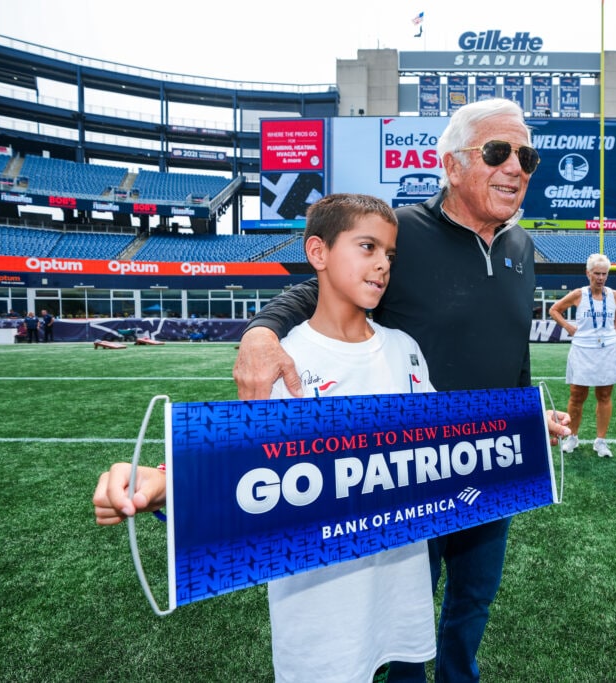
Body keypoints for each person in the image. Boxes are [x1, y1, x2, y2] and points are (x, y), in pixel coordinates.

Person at [233, 98, 569, 683]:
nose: (516, 166)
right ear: (453, 164)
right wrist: (262, 332)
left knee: (474, 601)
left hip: (492, 461)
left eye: (527, 155)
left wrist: (527, 414)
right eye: (497, 152)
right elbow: (318, 292)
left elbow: (514, 348)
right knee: (404, 612)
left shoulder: (522, 247)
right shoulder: (401, 235)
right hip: (408, 467)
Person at [94, 193, 437, 682]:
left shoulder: (405, 349)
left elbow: (443, 445)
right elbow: (244, 467)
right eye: (367, 247)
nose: (383, 264)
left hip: (399, 583)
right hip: (321, 605)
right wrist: (164, 482)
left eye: (390, 254)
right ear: (317, 253)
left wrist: (527, 431)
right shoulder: (283, 362)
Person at [548, 253, 616, 458]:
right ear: (588, 273)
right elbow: (554, 310)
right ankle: (572, 437)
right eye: (596, 274)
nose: (600, 278)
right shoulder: (578, 294)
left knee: (604, 395)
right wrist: (568, 327)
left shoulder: (615, 296)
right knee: (577, 395)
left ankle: (600, 442)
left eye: (604, 274)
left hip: (608, 350)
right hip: (582, 350)